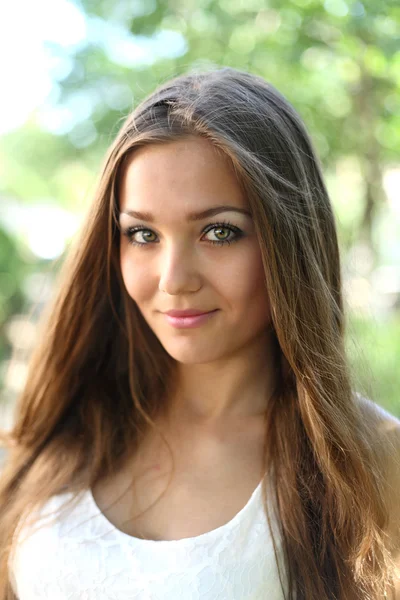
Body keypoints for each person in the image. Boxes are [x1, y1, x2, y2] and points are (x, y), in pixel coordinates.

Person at [0, 67, 399, 600]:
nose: (173, 279)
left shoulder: (372, 461)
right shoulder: (66, 426)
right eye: (142, 234)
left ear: (288, 242)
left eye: (219, 232)